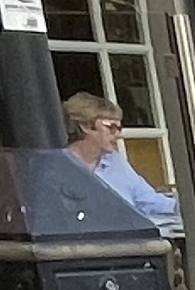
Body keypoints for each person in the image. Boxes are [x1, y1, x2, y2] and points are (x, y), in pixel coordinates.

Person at [61, 91, 178, 231]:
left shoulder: (115, 162)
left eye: (119, 128)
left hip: (130, 243)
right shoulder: (59, 166)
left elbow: (150, 201)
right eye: (111, 127)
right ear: (85, 126)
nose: (118, 134)